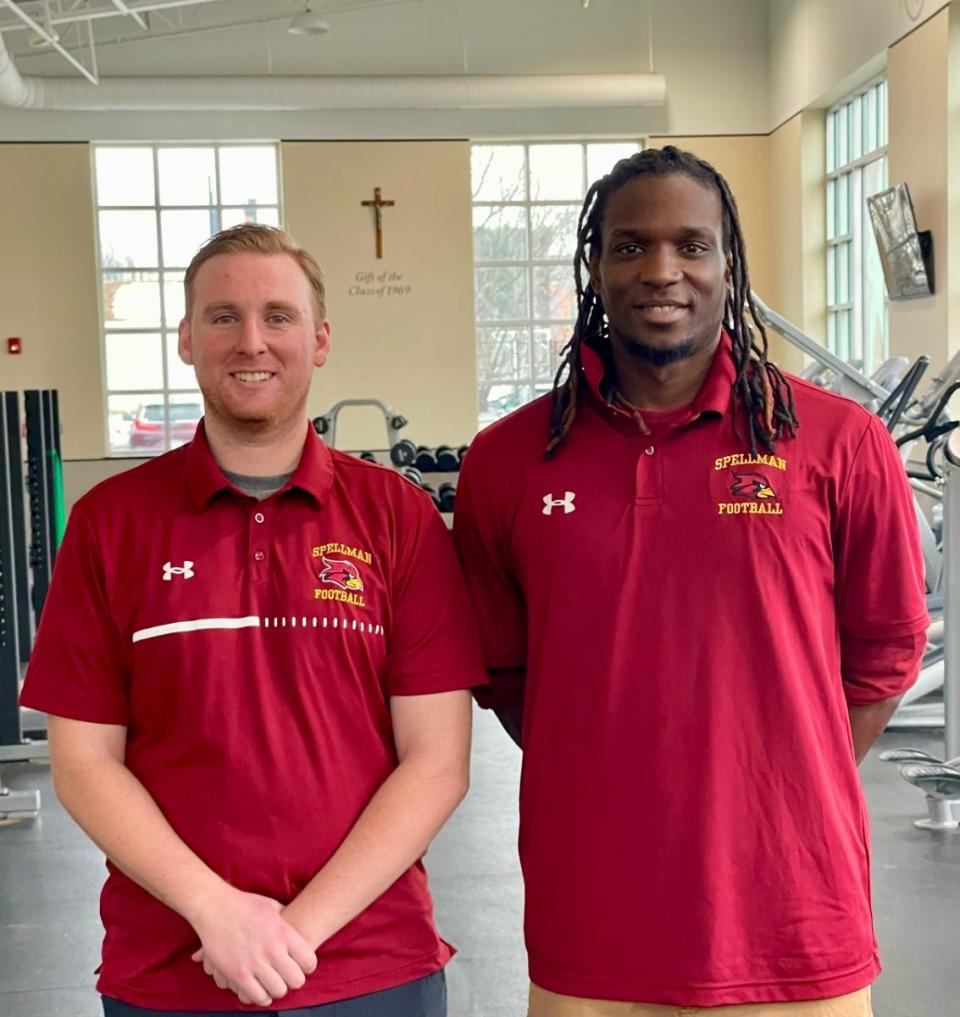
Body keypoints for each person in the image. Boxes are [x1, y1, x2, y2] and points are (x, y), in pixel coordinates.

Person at [453, 146, 928, 1017]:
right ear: (594, 265)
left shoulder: (838, 442)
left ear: (728, 263)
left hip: (796, 921)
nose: (661, 271)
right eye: (630, 246)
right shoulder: (507, 461)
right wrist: (625, 762)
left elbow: (886, 653)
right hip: (594, 927)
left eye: (691, 246)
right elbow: (514, 678)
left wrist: (780, 766)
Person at [20, 223, 485, 1017]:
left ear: (320, 339)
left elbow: (436, 761)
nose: (251, 341)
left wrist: (292, 932)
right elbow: (84, 761)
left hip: (371, 967)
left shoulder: (398, 517)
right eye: (222, 315)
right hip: (172, 970)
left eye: (278, 315)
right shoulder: (109, 524)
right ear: (185, 340)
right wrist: (216, 909)